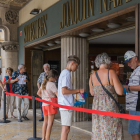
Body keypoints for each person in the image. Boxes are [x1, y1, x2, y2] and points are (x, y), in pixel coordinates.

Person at [89, 53, 124, 140]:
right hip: (109, 106)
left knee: (99, 129)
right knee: (112, 129)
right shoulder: (111, 73)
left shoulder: (92, 76)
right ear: (107, 61)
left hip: (97, 107)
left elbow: (92, 93)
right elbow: (120, 92)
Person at [58, 55, 85, 140]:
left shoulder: (64, 72)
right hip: (66, 104)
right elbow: (64, 91)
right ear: (72, 63)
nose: (76, 68)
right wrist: (78, 90)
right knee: (65, 129)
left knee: (66, 129)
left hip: (65, 104)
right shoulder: (66, 73)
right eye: (76, 66)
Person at [37, 69, 58, 140]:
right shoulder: (52, 84)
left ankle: (43, 138)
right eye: (55, 77)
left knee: (45, 122)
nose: (56, 79)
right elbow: (57, 94)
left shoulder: (44, 83)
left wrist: (44, 98)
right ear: (52, 77)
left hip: (44, 105)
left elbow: (38, 93)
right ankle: (47, 139)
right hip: (51, 105)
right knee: (50, 124)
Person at [123, 51, 140, 140]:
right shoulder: (136, 71)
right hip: (134, 106)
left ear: (135, 58)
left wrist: (127, 87)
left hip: (136, 106)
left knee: (134, 132)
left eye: (130, 61)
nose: (129, 64)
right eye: (127, 63)